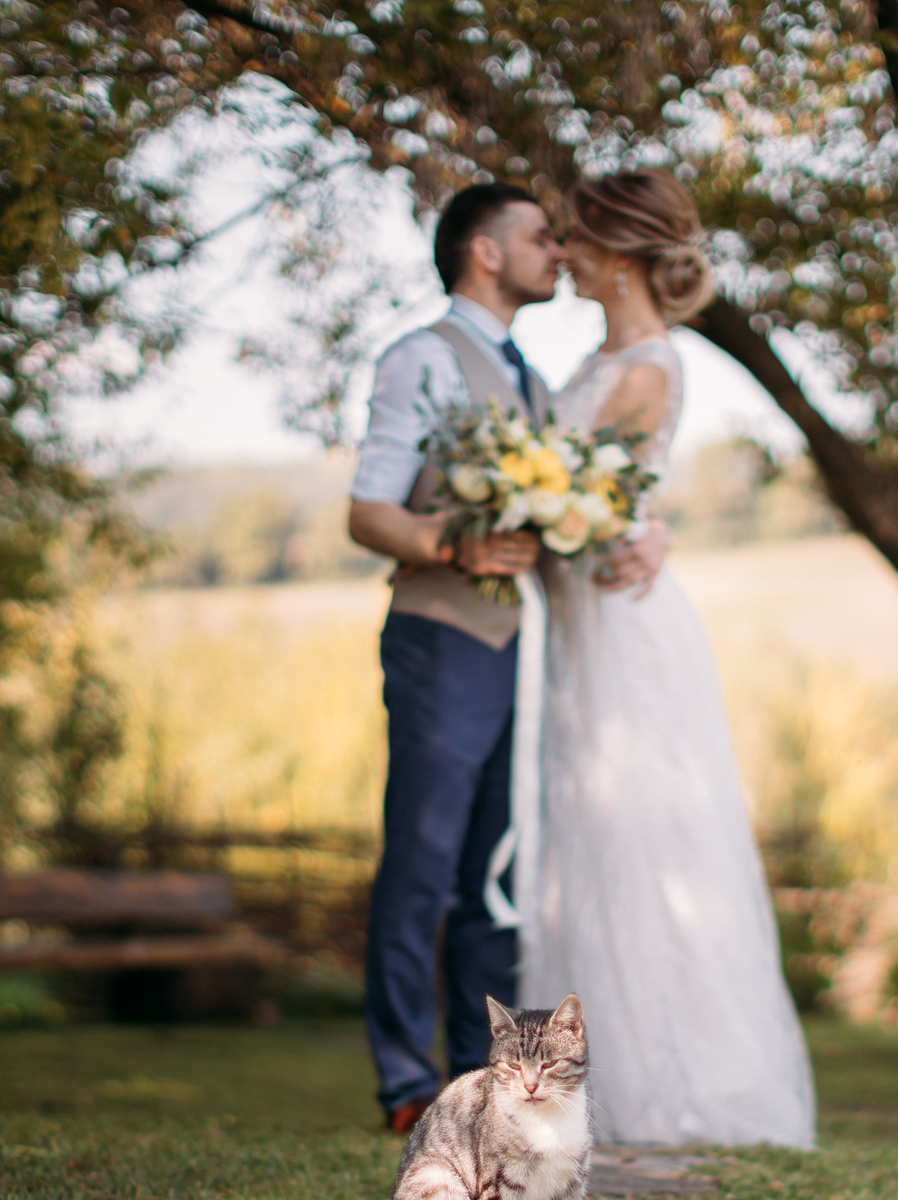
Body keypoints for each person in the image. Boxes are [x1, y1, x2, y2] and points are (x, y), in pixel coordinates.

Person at [347, 184, 665, 1134]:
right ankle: (406, 1079)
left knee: (495, 874)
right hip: (443, 638)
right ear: (483, 251)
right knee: (424, 862)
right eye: (538, 237)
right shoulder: (420, 359)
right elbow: (367, 511)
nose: (557, 252)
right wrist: (457, 546)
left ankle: (476, 1075)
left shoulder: (531, 375)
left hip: (524, 650)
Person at [519, 170, 816, 1148]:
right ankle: (583, 1077)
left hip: (621, 622)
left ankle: (669, 1086)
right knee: (589, 837)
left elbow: (595, 509)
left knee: (640, 841)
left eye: (575, 238)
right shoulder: (600, 358)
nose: (562, 252)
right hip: (585, 617)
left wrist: (536, 509)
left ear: (616, 254)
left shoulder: (645, 366)